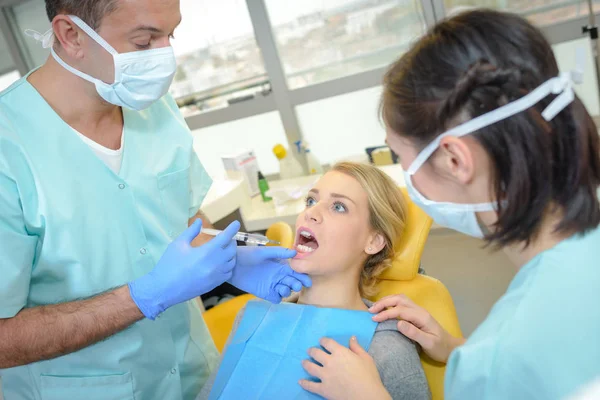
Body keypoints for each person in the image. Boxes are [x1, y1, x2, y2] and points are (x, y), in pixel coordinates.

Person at [0, 1, 310, 399]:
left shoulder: (152, 106)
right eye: (145, 41)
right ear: (71, 35)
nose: (165, 57)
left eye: (171, 35)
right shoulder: (10, 150)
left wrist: (226, 258)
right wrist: (144, 296)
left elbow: (178, 218)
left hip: (195, 375)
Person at [299, 9, 600, 400]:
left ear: (455, 160)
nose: (406, 174)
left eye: (400, 157)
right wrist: (456, 349)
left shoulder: (499, 360)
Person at [198, 162, 431, 400]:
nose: (310, 213)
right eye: (310, 201)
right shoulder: (252, 317)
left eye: (338, 207)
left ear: (373, 241)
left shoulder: (386, 350)